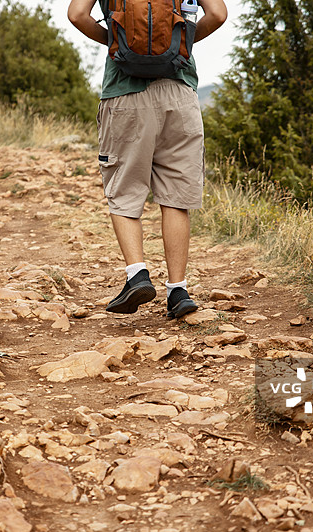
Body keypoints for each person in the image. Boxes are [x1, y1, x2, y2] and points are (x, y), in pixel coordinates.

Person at [68, 0, 228, 319]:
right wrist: (178, 44)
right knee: (175, 197)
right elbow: (218, 14)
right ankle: (178, 291)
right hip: (179, 93)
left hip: (124, 94)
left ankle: (137, 275)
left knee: (125, 192)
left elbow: (76, 15)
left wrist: (115, 40)